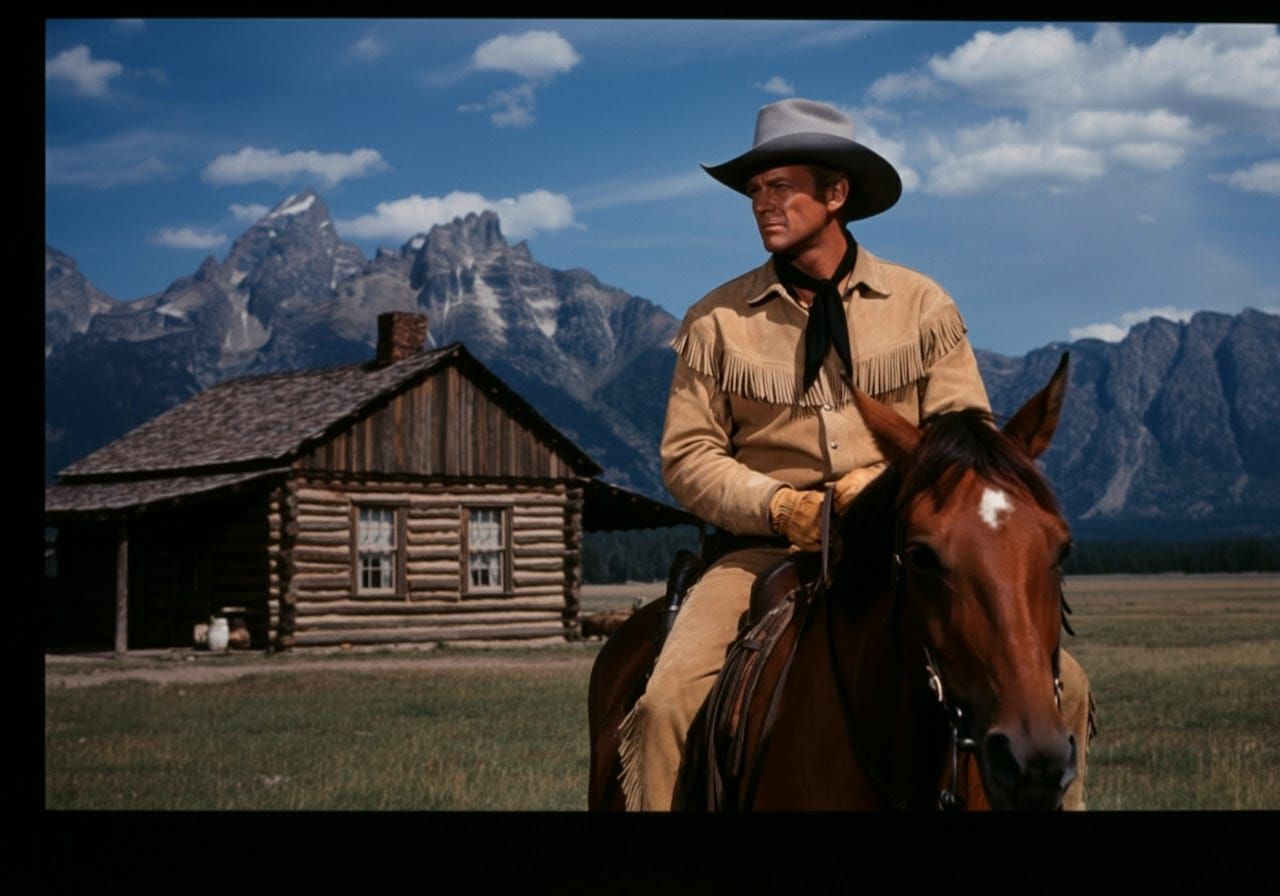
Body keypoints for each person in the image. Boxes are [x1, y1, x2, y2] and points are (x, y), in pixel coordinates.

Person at [618, 98, 1091, 811]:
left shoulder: (923, 306)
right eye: (755, 191)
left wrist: (890, 487)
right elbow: (688, 457)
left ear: (836, 194)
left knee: (1072, 688)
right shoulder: (715, 321)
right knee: (664, 708)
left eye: (781, 187)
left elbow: (970, 445)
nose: (762, 205)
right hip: (761, 551)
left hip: (908, 552)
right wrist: (784, 507)